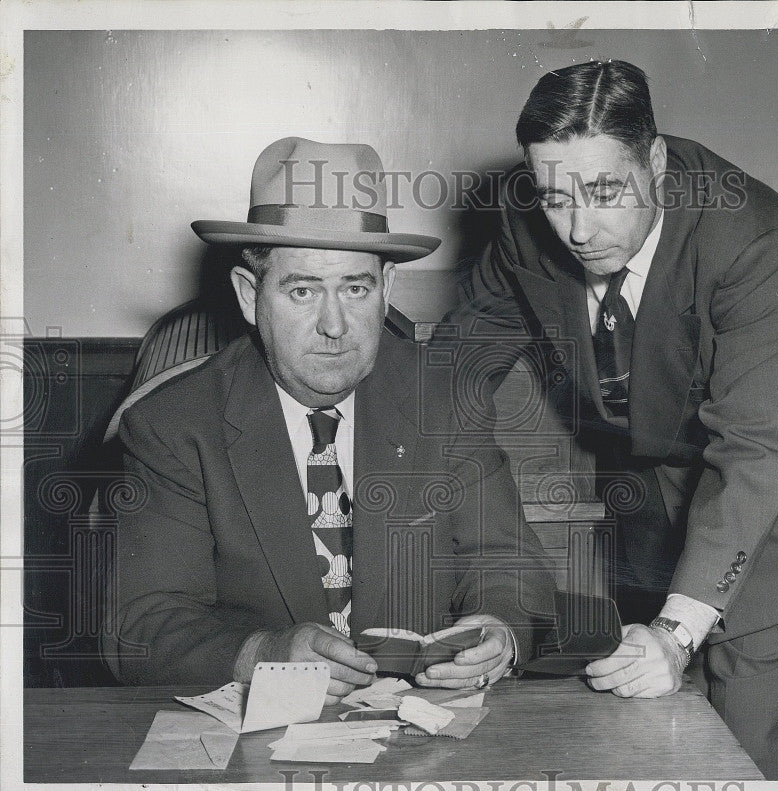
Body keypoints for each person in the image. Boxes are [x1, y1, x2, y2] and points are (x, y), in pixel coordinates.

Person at [441, 60, 778, 778]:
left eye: (605, 191)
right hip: (666, 444)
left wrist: (678, 631)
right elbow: (458, 361)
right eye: (555, 196)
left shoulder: (752, 236)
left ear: (655, 160)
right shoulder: (531, 228)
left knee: (747, 696)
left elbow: (759, 445)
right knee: (637, 689)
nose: (578, 229)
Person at [102, 137, 556, 702]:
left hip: (421, 737)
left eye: (356, 288)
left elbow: (507, 560)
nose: (335, 325)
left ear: (386, 289)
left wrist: (499, 632)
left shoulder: (444, 398)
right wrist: (260, 655)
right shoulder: (173, 425)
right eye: (302, 291)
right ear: (250, 296)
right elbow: (142, 629)